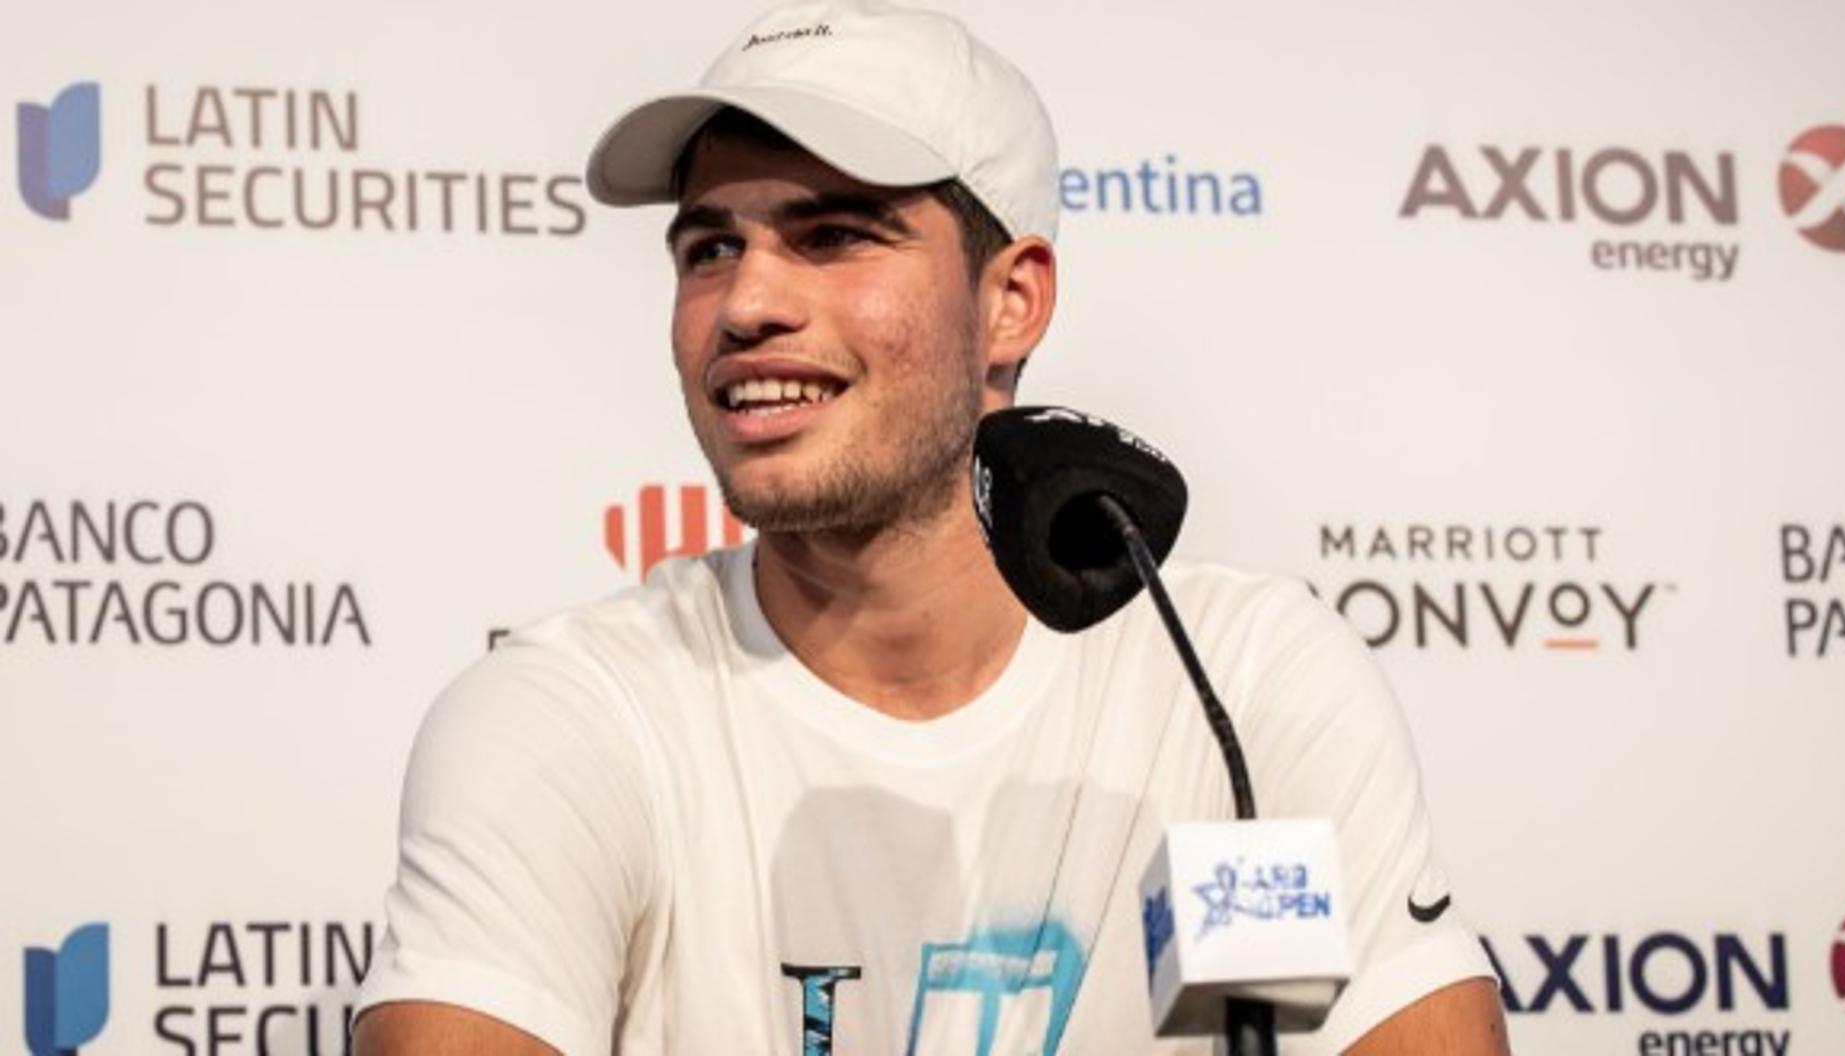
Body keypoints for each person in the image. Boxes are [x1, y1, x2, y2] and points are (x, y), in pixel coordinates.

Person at [351, 1, 1510, 1052]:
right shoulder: (568, 715)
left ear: (1012, 300)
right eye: (711, 248)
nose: (747, 304)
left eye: (836, 235)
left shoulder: (1237, 685)